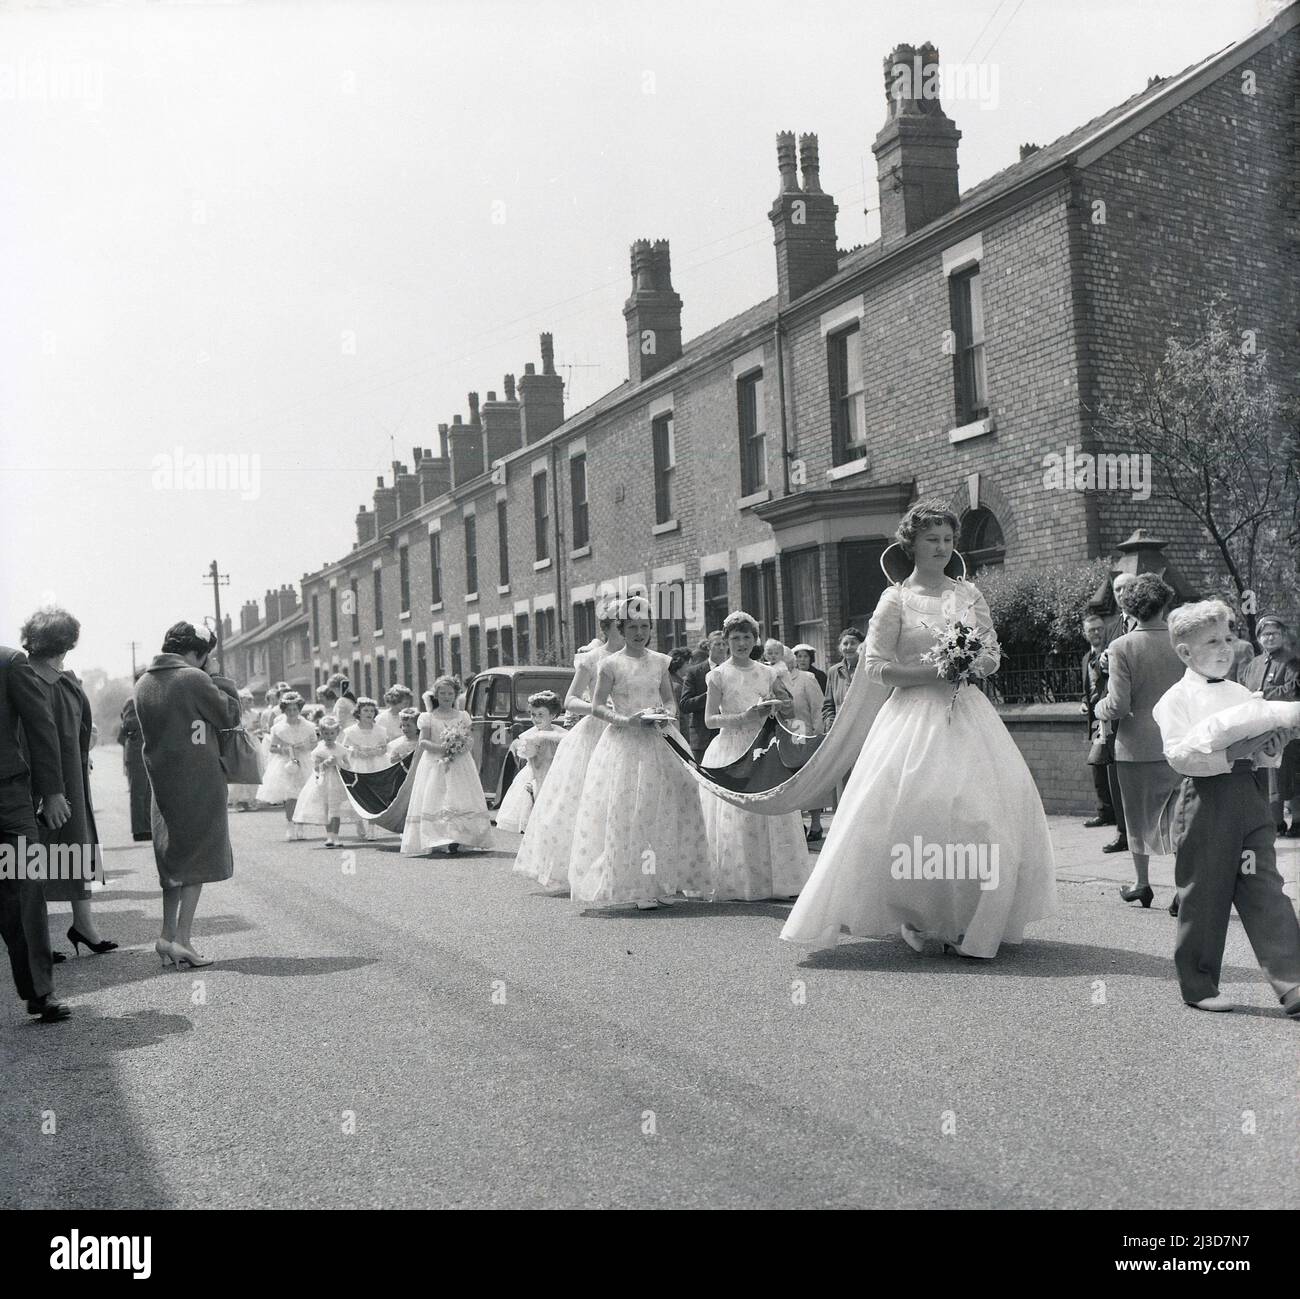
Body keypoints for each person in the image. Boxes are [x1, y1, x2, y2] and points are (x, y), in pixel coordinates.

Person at [781, 500, 1058, 959]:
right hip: (911, 717)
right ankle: (918, 913)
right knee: (917, 814)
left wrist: (971, 663)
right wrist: (934, 671)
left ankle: (969, 917)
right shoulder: (895, 599)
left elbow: (991, 651)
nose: (943, 548)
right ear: (911, 545)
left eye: (949, 540)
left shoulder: (968, 594)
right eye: (932, 539)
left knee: (980, 815)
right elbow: (875, 666)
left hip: (968, 713)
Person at [1151, 601, 1300, 1015]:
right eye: (1212, 642)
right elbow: (1179, 756)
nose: (1225, 648)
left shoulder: (1241, 694)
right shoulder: (1174, 700)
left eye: (1229, 638)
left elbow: (1262, 752)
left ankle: (1293, 982)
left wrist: (1272, 748)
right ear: (1185, 653)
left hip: (1248, 801)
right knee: (1205, 894)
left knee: (1264, 886)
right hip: (1205, 804)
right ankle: (1199, 984)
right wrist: (1230, 754)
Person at [567, 599, 710, 910]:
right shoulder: (610, 664)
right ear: (622, 629)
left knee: (666, 808)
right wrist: (627, 720)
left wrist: (664, 713)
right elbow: (597, 705)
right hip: (625, 742)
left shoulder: (660, 661)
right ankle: (639, 884)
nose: (639, 632)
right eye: (632, 627)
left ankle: (662, 882)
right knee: (635, 812)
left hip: (660, 739)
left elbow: (670, 700)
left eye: (644, 626)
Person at [134, 620, 242, 969]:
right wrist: (217, 678)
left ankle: (166, 936)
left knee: (174, 860)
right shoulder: (194, 678)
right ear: (196, 653)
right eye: (205, 655)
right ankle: (182, 939)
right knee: (196, 860)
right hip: (198, 778)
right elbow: (229, 715)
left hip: (163, 782)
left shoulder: (144, 683)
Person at [21, 608, 114, 958]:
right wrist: (49, 790)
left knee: (76, 843)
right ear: (65, 643)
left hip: (69, 777)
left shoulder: (63, 679)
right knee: (30, 854)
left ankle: (83, 924)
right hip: (39, 782)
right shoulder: (29, 678)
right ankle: (35, 939)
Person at [700, 611, 811, 900]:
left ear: (755, 639)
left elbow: (788, 707)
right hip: (732, 747)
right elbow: (710, 720)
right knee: (740, 815)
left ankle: (779, 881)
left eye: (746, 637)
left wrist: (779, 704)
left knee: (770, 811)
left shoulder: (769, 672)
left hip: (763, 746)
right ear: (725, 641)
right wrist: (743, 717)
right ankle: (741, 881)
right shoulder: (718, 675)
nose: (741, 643)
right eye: (735, 638)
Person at [513, 611, 626, 889]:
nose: (627, 631)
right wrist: (598, 707)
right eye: (620, 626)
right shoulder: (591, 659)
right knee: (589, 798)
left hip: (628, 729)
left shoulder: (636, 657)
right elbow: (570, 701)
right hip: (597, 731)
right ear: (608, 628)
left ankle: (622, 864)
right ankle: (585, 867)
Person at [1094, 573, 1184, 910]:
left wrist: (1099, 708)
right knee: (1178, 817)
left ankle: (1142, 884)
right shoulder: (1181, 641)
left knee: (1136, 817)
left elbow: (1118, 705)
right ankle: (1182, 888)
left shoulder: (1121, 646)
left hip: (1136, 746)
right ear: (1165, 603)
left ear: (1130, 608)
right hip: (1178, 742)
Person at [0, 640, 71, 1022]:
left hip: (9, 799)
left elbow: (40, 725)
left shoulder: (8, 662)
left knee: (26, 888)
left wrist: (53, 791)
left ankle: (39, 993)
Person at [401, 677, 491, 856]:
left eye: (450, 693)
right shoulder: (428, 717)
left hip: (460, 762)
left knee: (459, 796)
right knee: (437, 797)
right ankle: (438, 837)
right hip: (435, 762)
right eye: (442, 693)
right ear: (436, 695)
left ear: (456, 695)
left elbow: (470, 738)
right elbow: (423, 742)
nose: (446, 697)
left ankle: (459, 837)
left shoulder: (462, 716)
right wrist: (442, 748)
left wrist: (461, 745)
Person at [1241, 614, 1300, 836]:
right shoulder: (1254, 664)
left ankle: (1297, 821)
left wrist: (1264, 694)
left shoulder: (1293, 660)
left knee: (1293, 775)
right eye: (1265, 634)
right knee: (1268, 774)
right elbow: (1244, 688)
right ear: (1258, 638)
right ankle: (1274, 823)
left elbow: (1294, 688)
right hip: (1261, 727)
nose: (1270, 637)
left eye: (1275, 633)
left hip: (1290, 727)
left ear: (1283, 635)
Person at [495, 691, 565, 834]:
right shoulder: (530, 736)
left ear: (552, 715)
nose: (536, 718)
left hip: (555, 775)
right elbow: (527, 754)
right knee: (532, 812)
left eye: (540, 714)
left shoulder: (559, 734)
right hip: (535, 776)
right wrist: (530, 745)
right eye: (533, 714)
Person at [1080, 612, 1123, 838]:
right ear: (1085, 634)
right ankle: (1107, 812)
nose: (1096, 633)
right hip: (1096, 719)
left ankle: (1112, 814)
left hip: (1110, 716)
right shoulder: (1086, 658)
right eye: (1091, 630)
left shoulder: (1111, 654)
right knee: (1099, 766)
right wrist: (1084, 704)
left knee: (1105, 764)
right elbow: (1088, 689)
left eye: (1099, 628)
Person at [293, 715, 364, 846]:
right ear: (321, 733)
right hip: (323, 781)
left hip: (337, 781)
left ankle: (336, 836)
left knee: (335, 809)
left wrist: (339, 763)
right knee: (326, 809)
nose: (329, 736)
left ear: (337, 733)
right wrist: (325, 763)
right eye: (325, 733)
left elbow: (348, 766)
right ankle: (329, 836)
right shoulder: (319, 749)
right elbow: (316, 768)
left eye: (332, 733)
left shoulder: (341, 749)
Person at [256, 691, 316, 838]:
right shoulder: (278, 728)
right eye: (289, 710)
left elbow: (314, 744)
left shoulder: (308, 726)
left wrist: (305, 747)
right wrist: (283, 749)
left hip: (304, 761)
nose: (292, 712)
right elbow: (272, 747)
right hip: (285, 763)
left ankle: (300, 826)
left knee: (303, 794)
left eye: (295, 709)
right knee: (290, 796)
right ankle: (290, 825)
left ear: (299, 709)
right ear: (284, 711)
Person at [784, 650, 827, 841]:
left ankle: (816, 824)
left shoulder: (806, 678)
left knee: (810, 779)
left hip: (805, 733)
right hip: (785, 736)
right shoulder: (773, 679)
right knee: (790, 782)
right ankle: (797, 824)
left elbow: (818, 708)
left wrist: (817, 735)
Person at [678, 632, 728, 765]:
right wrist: (710, 696)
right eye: (717, 644)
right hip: (702, 737)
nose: (722, 648)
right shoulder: (694, 672)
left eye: (724, 644)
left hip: (728, 734)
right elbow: (684, 705)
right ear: (708, 647)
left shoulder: (731, 670)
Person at [119, 671, 152, 841]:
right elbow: (130, 724)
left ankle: (147, 827)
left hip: (147, 750)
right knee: (138, 792)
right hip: (137, 751)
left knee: (148, 793)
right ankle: (139, 830)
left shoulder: (149, 699)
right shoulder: (133, 701)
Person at [820, 628, 864, 731]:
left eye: (853, 643)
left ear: (862, 647)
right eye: (845, 644)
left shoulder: (867, 670)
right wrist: (829, 721)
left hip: (864, 728)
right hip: (840, 730)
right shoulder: (833, 671)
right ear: (840, 648)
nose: (848, 647)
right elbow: (828, 705)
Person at [227, 689, 262, 812]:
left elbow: (258, 727)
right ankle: (238, 801)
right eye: (244, 701)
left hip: (252, 741)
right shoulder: (236, 714)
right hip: (240, 741)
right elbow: (234, 727)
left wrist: (254, 729)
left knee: (253, 769)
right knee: (240, 769)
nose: (247, 704)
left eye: (249, 701)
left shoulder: (255, 713)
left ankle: (250, 799)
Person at [341, 697, 389, 773]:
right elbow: (344, 749)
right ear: (359, 713)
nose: (369, 713)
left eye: (372, 711)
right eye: (366, 710)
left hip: (378, 764)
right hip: (358, 764)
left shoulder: (380, 730)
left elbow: (385, 747)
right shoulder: (351, 731)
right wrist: (356, 752)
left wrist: (377, 751)